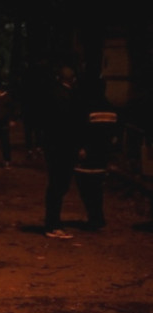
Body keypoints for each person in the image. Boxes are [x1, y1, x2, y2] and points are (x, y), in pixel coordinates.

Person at [41, 65, 86, 239]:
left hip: (53, 146)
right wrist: (78, 146)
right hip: (64, 148)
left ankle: (52, 223)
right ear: (72, 79)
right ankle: (53, 225)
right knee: (59, 186)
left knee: (55, 185)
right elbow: (72, 125)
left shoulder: (51, 95)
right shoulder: (70, 97)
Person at [74, 79, 118, 231]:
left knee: (85, 186)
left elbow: (82, 129)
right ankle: (97, 216)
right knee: (97, 187)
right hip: (102, 153)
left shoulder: (87, 107)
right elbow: (114, 133)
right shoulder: (111, 108)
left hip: (88, 153)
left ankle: (94, 217)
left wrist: (81, 147)